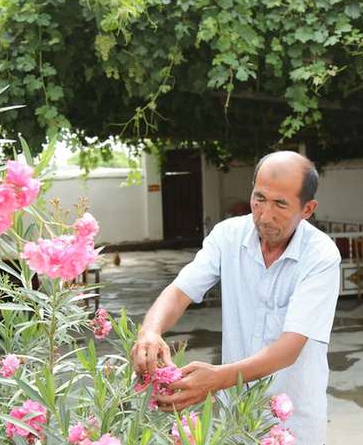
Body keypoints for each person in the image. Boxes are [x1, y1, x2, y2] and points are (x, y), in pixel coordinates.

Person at [132, 150, 341, 445]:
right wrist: (150, 332)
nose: (265, 215)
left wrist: (216, 379)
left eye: (281, 204)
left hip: (294, 417)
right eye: (259, 198)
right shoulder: (227, 236)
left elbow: (288, 349)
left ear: (308, 209)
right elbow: (179, 293)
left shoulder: (320, 256)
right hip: (235, 416)